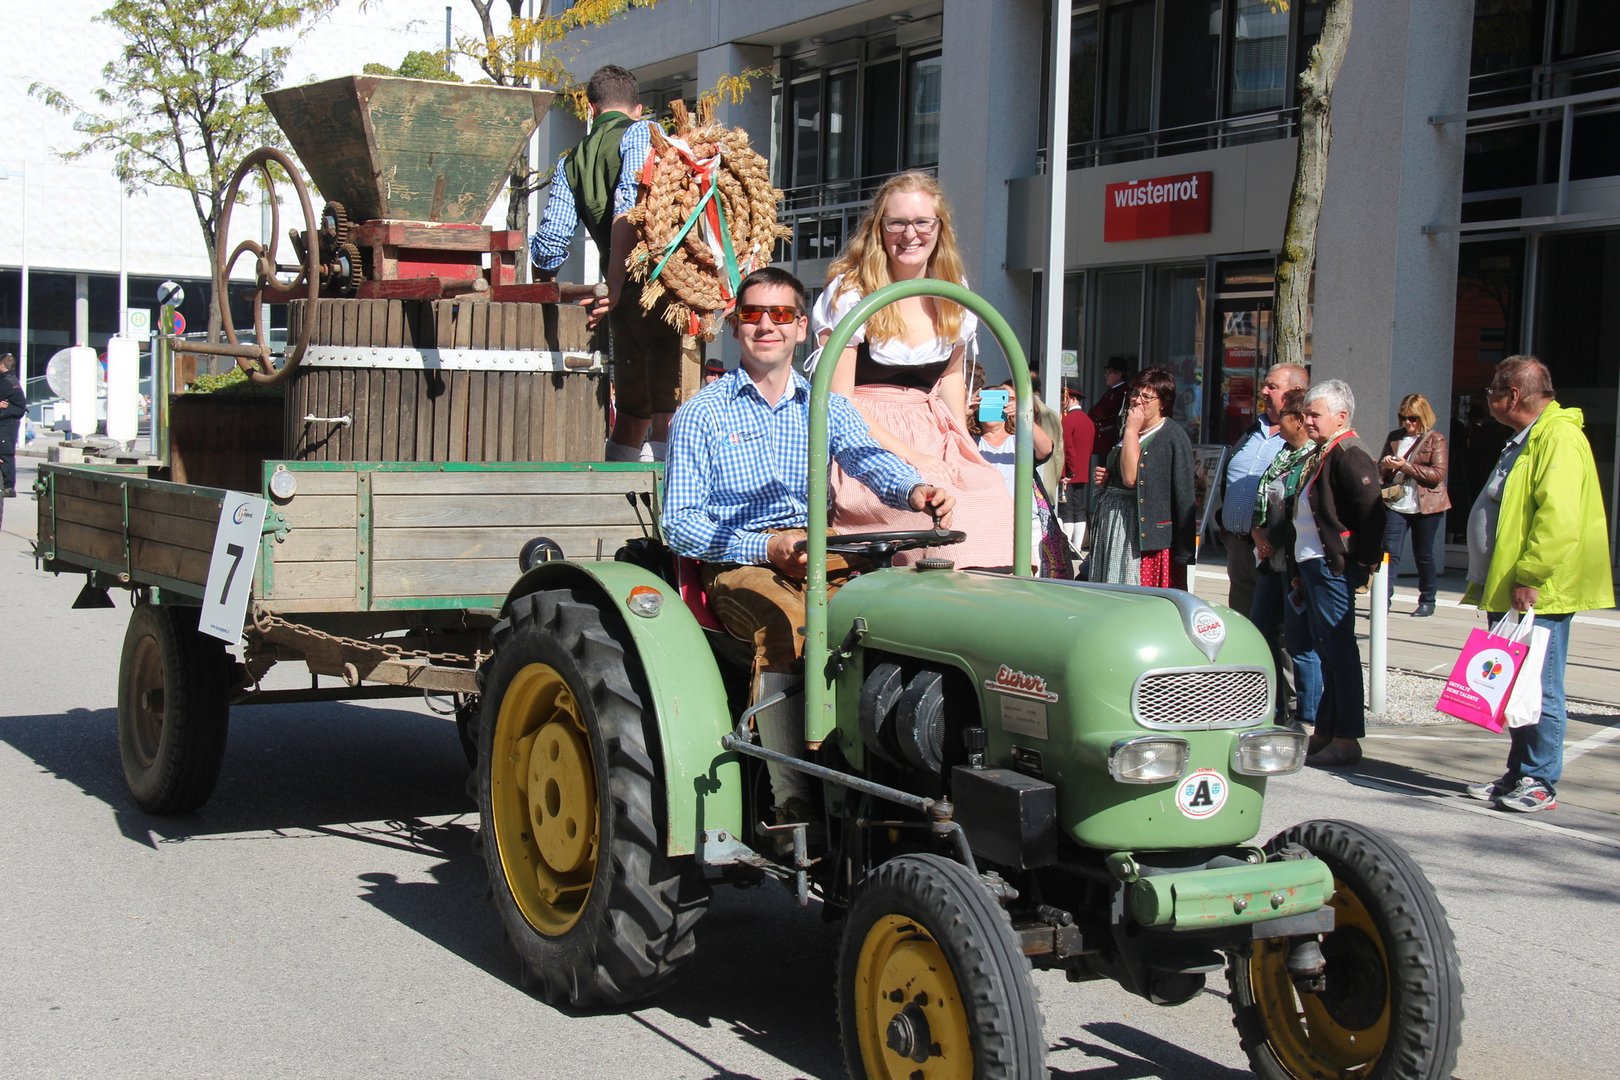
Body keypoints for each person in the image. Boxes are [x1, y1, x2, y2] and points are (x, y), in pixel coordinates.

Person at [662, 266, 954, 836]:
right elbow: (681, 526)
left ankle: (895, 765)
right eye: (753, 314)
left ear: (801, 327)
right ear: (735, 326)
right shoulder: (703, 412)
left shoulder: (825, 406)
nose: (765, 325)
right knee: (792, 623)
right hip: (739, 561)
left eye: (780, 314)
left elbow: (869, 459)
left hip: (819, 549)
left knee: (898, 616)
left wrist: (915, 490)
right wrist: (765, 546)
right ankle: (792, 799)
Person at [810, 171, 1015, 569]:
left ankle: (993, 595)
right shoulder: (853, 291)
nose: (910, 234)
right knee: (934, 523)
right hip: (866, 436)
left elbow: (951, 376)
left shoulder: (952, 289)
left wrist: (963, 444)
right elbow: (840, 400)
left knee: (992, 495)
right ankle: (939, 597)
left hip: (932, 426)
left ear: (939, 228)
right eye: (897, 223)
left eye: (922, 222)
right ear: (879, 228)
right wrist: (913, 455)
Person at [1463, 356, 1613, 813]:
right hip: (1513, 585)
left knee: (1540, 686)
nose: (1488, 398)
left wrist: (1530, 575)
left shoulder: (1558, 437)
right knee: (1516, 684)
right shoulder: (1529, 436)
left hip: (1537, 590)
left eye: (1492, 390)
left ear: (1512, 395)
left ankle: (1540, 779)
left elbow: (1558, 518)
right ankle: (1518, 773)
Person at [530, 64, 682, 463]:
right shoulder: (642, 133)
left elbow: (550, 245)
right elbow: (628, 206)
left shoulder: (571, 161)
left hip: (617, 301)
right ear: (638, 108)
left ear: (591, 108)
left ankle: (616, 498)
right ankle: (661, 498)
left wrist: (542, 287)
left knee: (631, 412)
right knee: (667, 410)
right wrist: (616, 282)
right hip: (661, 289)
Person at [1292, 380, 1385, 767]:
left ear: (1341, 416)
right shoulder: (1326, 451)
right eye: (1306, 414)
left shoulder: (1349, 453)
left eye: (1315, 414)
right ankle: (1327, 732)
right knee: (1328, 651)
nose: (1307, 420)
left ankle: (1346, 737)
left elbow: (1372, 510)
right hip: (1316, 565)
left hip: (1332, 566)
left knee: (1339, 652)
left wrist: (1363, 562)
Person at [1249, 389, 1322, 733]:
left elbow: (1296, 509)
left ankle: (1307, 716)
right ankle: (1274, 707)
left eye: (1285, 418)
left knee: (1299, 641)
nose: (1279, 424)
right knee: (1261, 629)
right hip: (1270, 559)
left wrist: (1272, 538)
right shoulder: (1284, 454)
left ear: (1298, 421)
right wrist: (1257, 532)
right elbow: (1265, 498)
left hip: (1292, 559)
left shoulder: (1311, 458)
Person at [1089, 367, 1196, 588]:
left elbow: (1132, 479)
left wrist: (1131, 430)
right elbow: (1126, 473)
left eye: (1146, 397)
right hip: (1115, 523)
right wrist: (1108, 476)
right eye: (1135, 394)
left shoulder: (1169, 436)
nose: (1137, 401)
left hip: (1139, 533)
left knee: (1130, 588)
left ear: (1163, 403)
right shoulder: (1131, 430)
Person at [968, 379, 1068, 577]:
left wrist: (1023, 415)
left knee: (1028, 581)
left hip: (1024, 523)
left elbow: (1046, 448)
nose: (992, 407)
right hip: (983, 525)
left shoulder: (1019, 439)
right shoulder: (968, 441)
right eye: (986, 402)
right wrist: (964, 411)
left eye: (999, 401)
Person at [1378, 393, 1451, 617]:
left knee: (1423, 553)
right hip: (1396, 503)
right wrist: (1386, 465)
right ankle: (1383, 601)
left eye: (1413, 418)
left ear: (1423, 417)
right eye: (1403, 417)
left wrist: (1405, 466)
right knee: (1389, 552)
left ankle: (1428, 599)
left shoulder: (1435, 439)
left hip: (1426, 505)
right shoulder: (1395, 437)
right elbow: (1381, 472)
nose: (1407, 423)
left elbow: (1437, 474)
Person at [1058, 378, 1095, 557]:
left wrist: (1069, 471)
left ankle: (1068, 548)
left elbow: (1067, 448)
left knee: (1066, 510)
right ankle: (1078, 547)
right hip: (1082, 471)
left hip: (1068, 472)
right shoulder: (1088, 421)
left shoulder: (1068, 420)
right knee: (1078, 509)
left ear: (1071, 398)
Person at [1089, 358, 1129, 451]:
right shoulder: (1112, 391)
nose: (1106, 375)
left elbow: (1103, 411)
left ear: (1118, 375)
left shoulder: (1122, 392)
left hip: (1110, 436)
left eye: (1109, 372)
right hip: (1103, 438)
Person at [0, 352, 24, 499]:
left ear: (2, 365)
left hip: (7, 424)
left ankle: (9, 487)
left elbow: (19, 407)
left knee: (5, 453)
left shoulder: (7, 382)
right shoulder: (9, 379)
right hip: (8, 423)